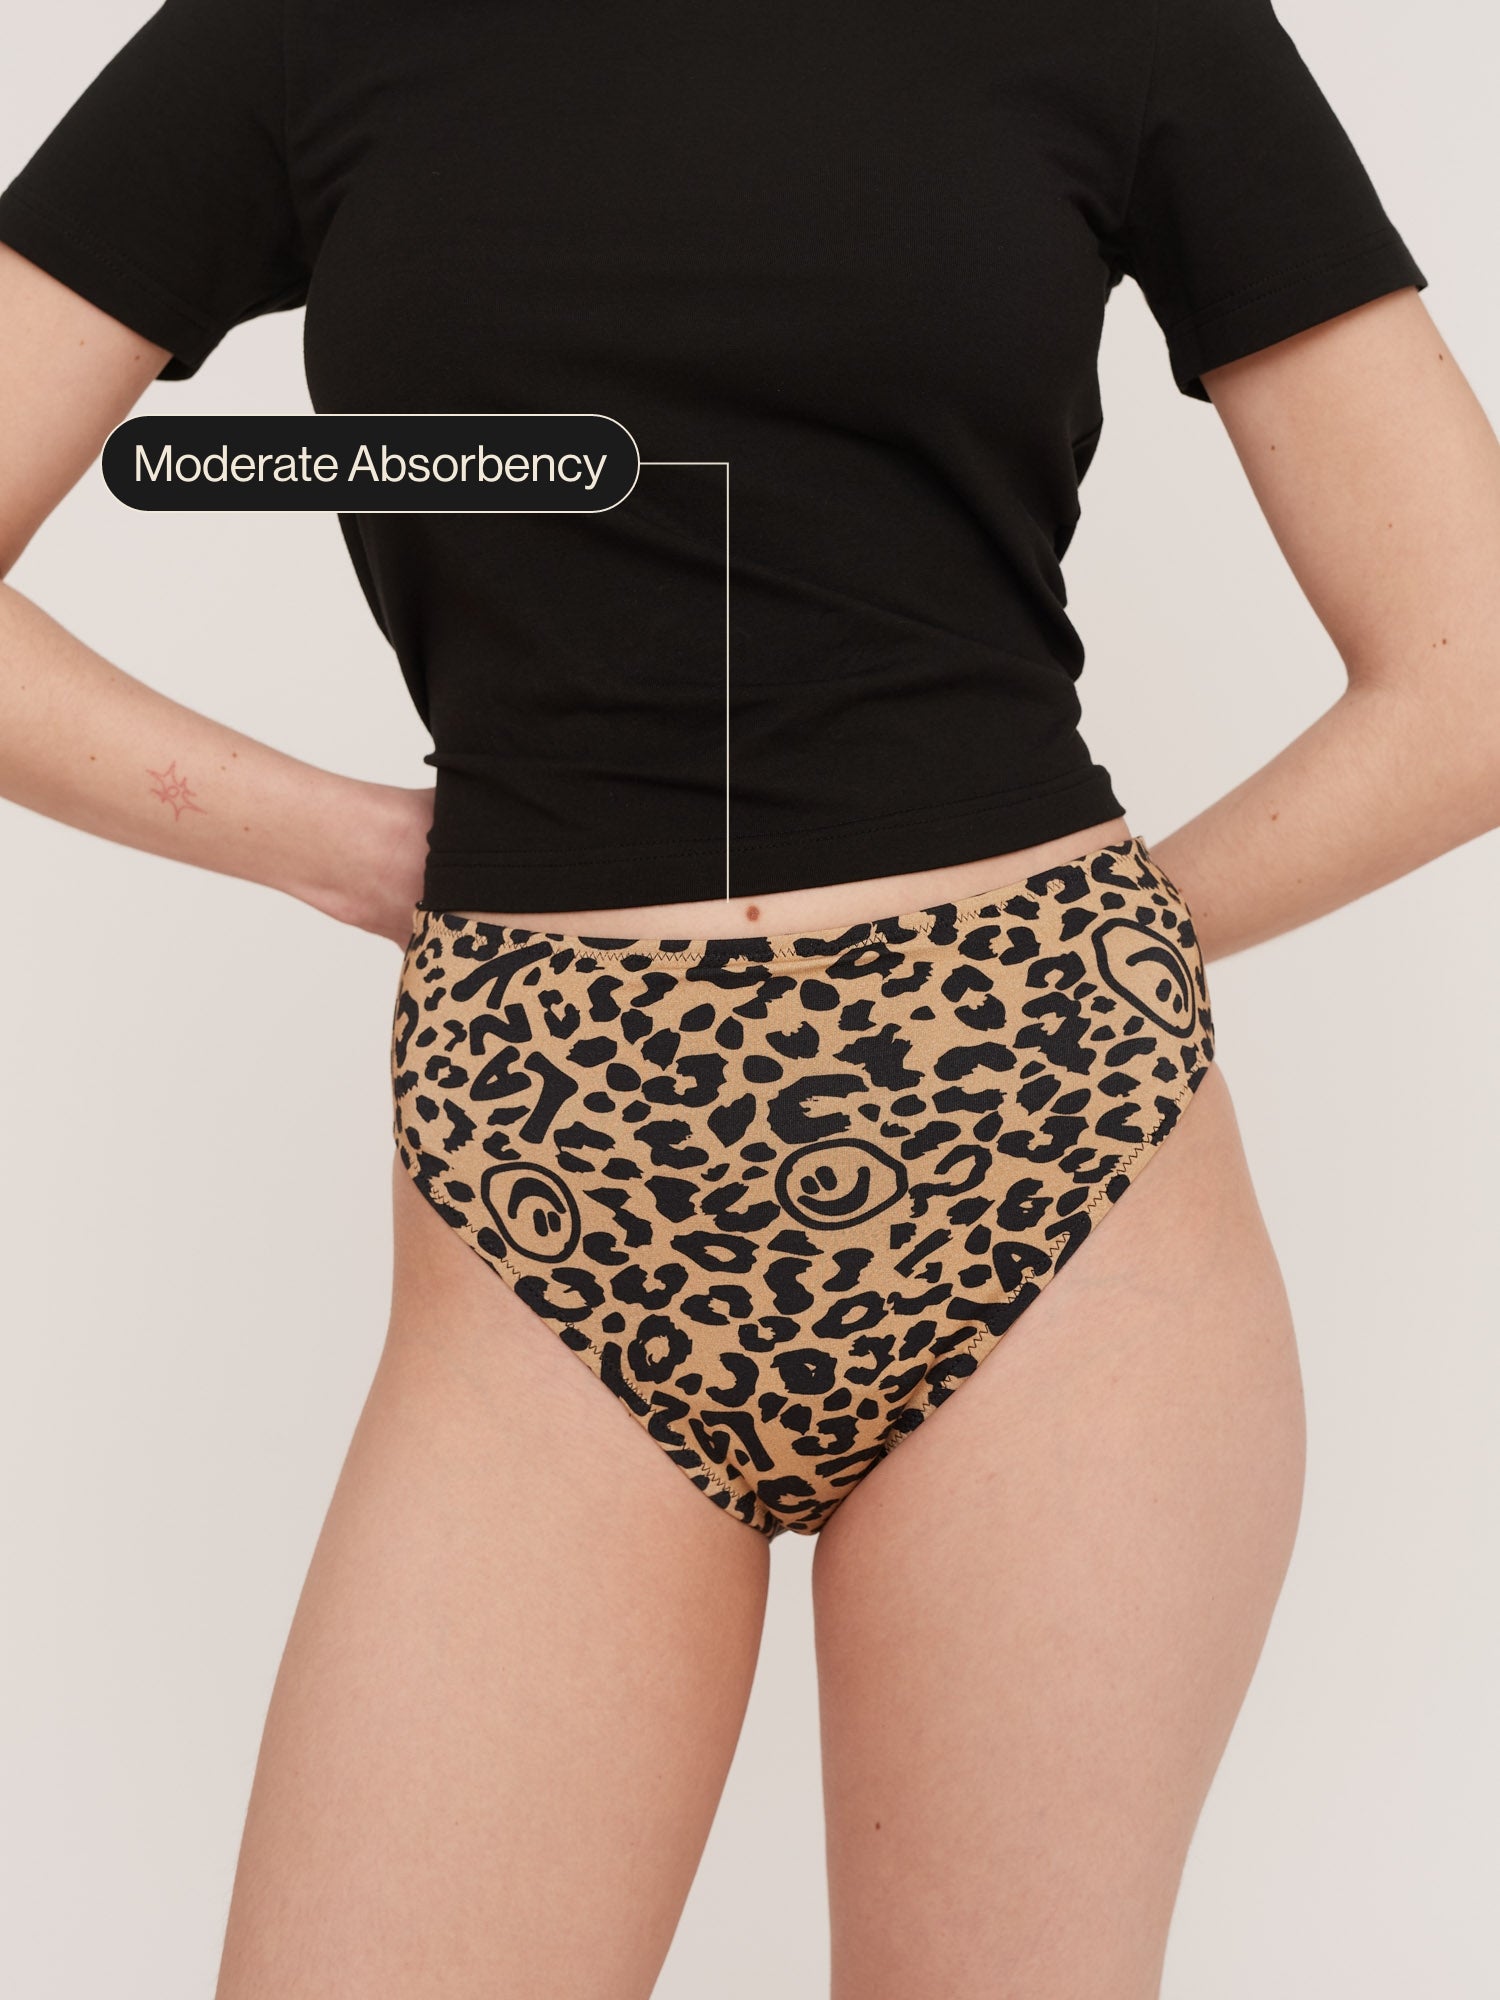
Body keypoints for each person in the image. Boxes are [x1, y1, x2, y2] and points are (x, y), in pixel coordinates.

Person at [0, 0, 1494, 1993]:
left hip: (1057, 1187)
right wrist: (324, 834)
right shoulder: (298, 34)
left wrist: (1075, 959)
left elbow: (1475, 674)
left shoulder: (1132, 20)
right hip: (543, 1189)